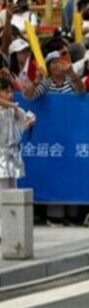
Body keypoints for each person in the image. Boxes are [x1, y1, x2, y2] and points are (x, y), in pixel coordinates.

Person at [0, 76, 34, 241]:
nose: (10, 95)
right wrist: (11, 106)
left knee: (12, 191)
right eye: (5, 91)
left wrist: (28, 121)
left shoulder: (12, 110)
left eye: (10, 91)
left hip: (12, 155)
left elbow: (27, 117)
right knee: (2, 193)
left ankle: (11, 227)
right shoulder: (6, 109)